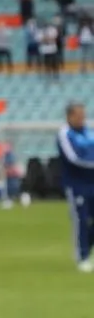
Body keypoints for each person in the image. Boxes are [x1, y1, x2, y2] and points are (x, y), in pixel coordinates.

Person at [56, 102, 94, 273]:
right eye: (78, 116)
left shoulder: (89, 132)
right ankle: (82, 257)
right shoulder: (65, 134)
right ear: (69, 116)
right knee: (81, 220)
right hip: (76, 184)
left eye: (83, 115)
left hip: (92, 182)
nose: (81, 119)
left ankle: (86, 249)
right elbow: (72, 158)